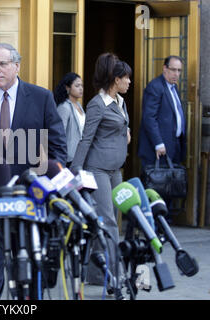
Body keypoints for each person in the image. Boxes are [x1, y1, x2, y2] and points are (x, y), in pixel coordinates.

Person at [0, 43, 68, 300]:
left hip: (31, 199)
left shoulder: (41, 98)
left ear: (17, 65)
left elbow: (58, 148)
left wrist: (50, 186)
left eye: (3, 64)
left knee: (29, 266)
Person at [70, 53, 131, 286]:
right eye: (124, 75)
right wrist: (76, 170)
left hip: (116, 169)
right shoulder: (97, 104)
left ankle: (97, 273)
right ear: (114, 77)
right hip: (98, 169)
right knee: (108, 222)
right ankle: (114, 274)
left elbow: (119, 127)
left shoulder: (120, 102)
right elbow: (86, 139)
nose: (128, 80)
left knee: (111, 220)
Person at [138, 55, 186, 219]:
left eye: (179, 70)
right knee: (156, 187)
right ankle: (153, 222)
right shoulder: (155, 87)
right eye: (173, 70)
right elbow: (149, 118)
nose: (176, 74)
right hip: (157, 149)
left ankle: (164, 220)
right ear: (164, 69)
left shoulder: (173, 88)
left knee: (168, 185)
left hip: (173, 145)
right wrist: (158, 143)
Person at [54, 72, 85, 166]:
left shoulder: (79, 106)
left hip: (80, 156)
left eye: (82, 86)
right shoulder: (64, 107)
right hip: (69, 157)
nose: (81, 88)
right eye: (77, 86)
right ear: (68, 88)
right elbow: (59, 134)